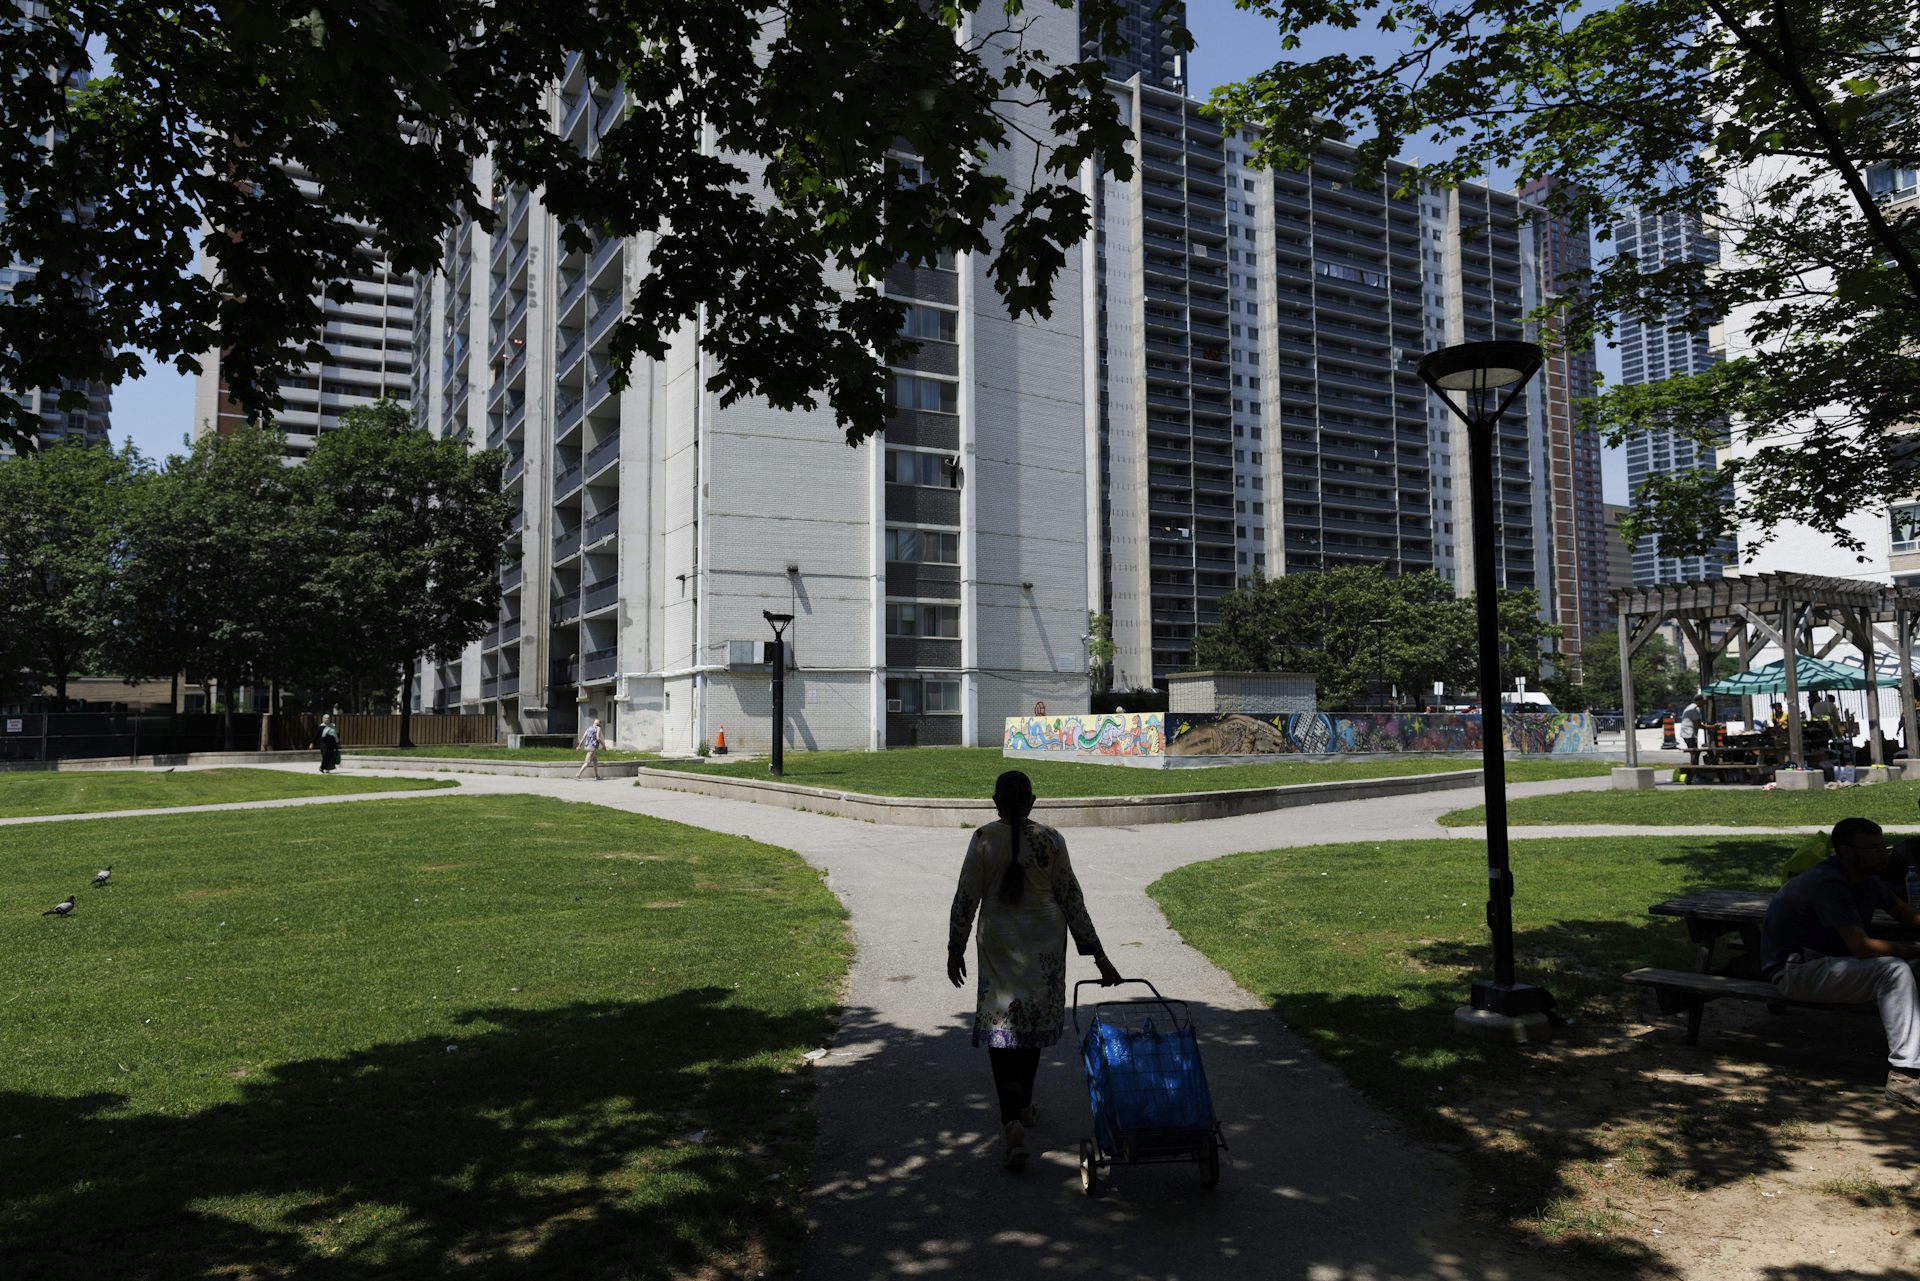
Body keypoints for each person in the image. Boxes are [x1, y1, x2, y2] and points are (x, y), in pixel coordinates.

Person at [947, 769, 1122, 1170]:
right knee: (1029, 1030)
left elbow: (964, 899)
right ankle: (1023, 1105)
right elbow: (1072, 900)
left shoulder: (983, 841)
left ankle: (1012, 1121)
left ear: (994, 802)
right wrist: (1098, 956)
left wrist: (954, 948)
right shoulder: (1051, 841)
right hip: (1043, 951)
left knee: (1002, 1030)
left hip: (998, 951)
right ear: (1033, 802)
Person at [1760, 817, 1920, 1110]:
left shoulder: (1868, 881)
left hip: (1829, 964)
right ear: (1846, 851)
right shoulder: (1828, 882)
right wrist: (1915, 950)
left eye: (1882, 846)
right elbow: (1862, 948)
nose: (1882, 854)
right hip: (1794, 971)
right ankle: (1905, 1077)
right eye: (1871, 848)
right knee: (1895, 971)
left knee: (1907, 967)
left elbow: (1906, 914)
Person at [1678, 695, 1710, 764]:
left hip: (1687, 733)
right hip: (1689, 734)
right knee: (1695, 752)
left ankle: (1694, 768)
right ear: (1699, 701)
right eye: (1704, 702)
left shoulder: (1691, 707)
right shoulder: (1694, 709)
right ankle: (1694, 769)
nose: (1704, 704)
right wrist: (1711, 727)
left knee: (1694, 752)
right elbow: (1698, 724)